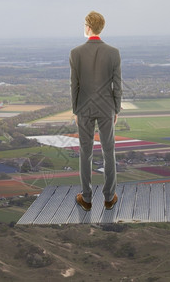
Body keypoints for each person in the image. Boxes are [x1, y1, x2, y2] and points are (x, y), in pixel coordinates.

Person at [69, 11, 122, 211]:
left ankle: (87, 198)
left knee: (86, 152)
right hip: (107, 107)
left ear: (88, 27)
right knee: (109, 151)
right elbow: (117, 86)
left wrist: (75, 109)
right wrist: (116, 108)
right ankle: (109, 198)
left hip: (83, 108)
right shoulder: (113, 52)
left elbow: (74, 85)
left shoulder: (75, 53)